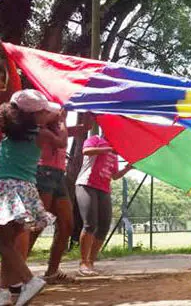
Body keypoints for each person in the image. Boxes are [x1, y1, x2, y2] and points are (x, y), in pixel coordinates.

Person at [14, 111, 93, 286]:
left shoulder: (60, 115)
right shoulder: (48, 109)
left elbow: (72, 131)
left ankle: (52, 272)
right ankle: (16, 275)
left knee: (67, 225)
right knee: (37, 225)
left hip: (58, 175)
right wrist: (62, 118)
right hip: (43, 172)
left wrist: (85, 122)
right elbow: (60, 140)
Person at [0, 90, 59, 306]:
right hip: (24, 190)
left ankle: (29, 280)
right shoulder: (40, 134)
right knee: (9, 243)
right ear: (32, 116)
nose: (47, 115)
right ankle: (3, 291)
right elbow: (60, 140)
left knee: (4, 242)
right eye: (43, 111)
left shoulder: (9, 136)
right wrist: (61, 124)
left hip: (6, 188)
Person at [75, 134, 132, 276]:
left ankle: (91, 263)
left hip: (104, 188)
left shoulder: (113, 152)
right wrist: (109, 149)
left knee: (104, 226)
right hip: (87, 184)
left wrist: (128, 168)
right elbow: (86, 151)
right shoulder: (96, 139)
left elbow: (115, 175)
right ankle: (83, 262)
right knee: (90, 224)